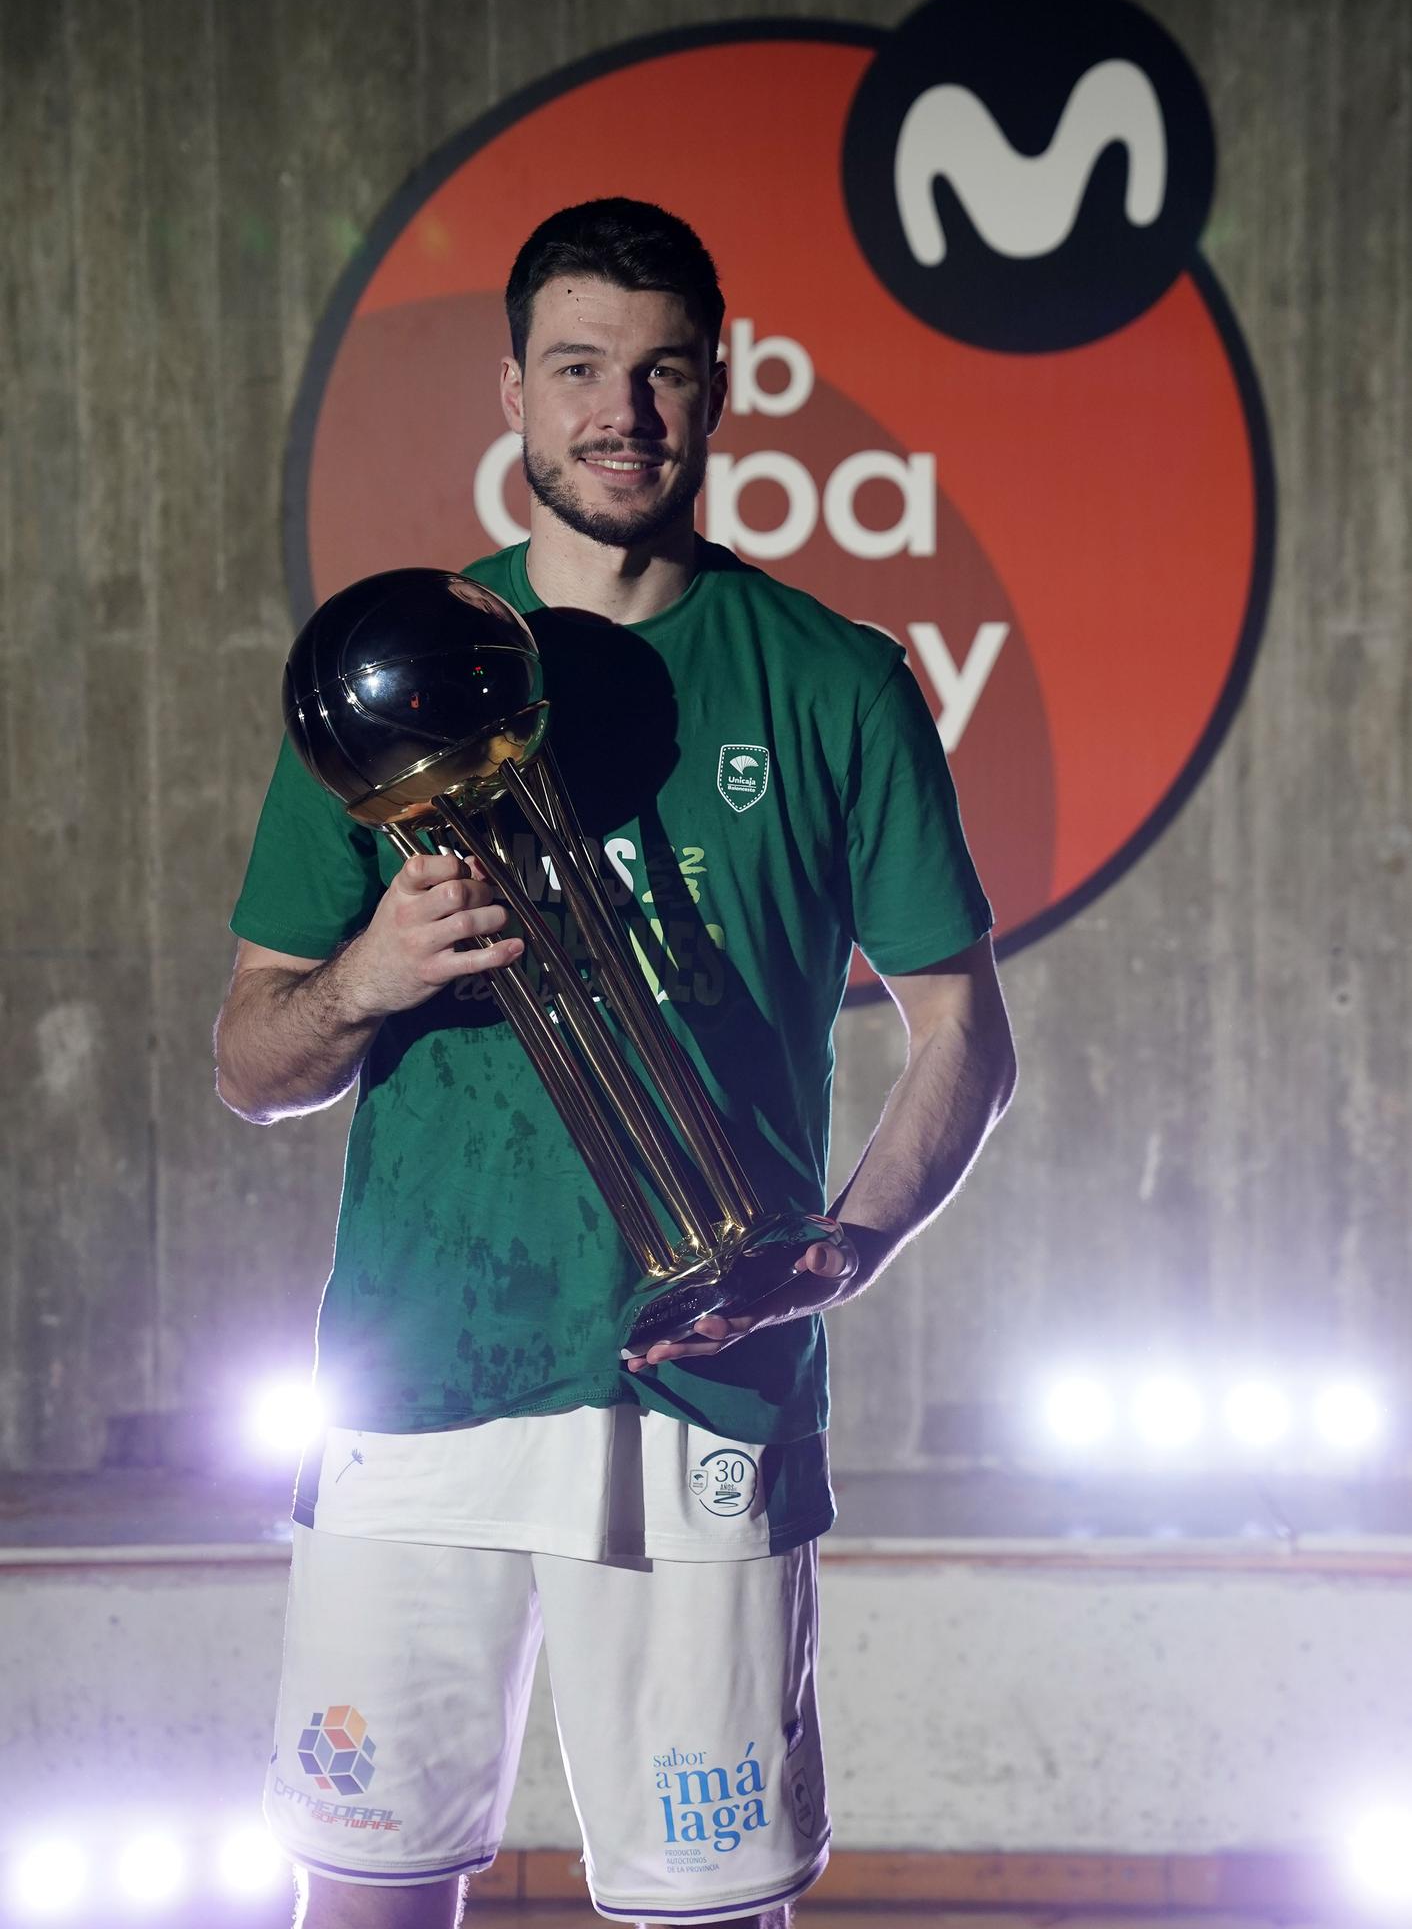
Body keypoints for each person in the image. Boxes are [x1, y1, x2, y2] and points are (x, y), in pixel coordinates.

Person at [216, 197, 1016, 1929]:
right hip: (415, 1379)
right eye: (578, 367)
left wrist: (843, 1251)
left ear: (718, 394)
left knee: (709, 1907)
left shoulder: (834, 684)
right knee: (361, 1891)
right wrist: (367, 977)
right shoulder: (392, 671)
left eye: (661, 373)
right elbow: (251, 1060)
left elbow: (964, 1028)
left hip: (702, 1388)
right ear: (512, 389)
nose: (620, 412)